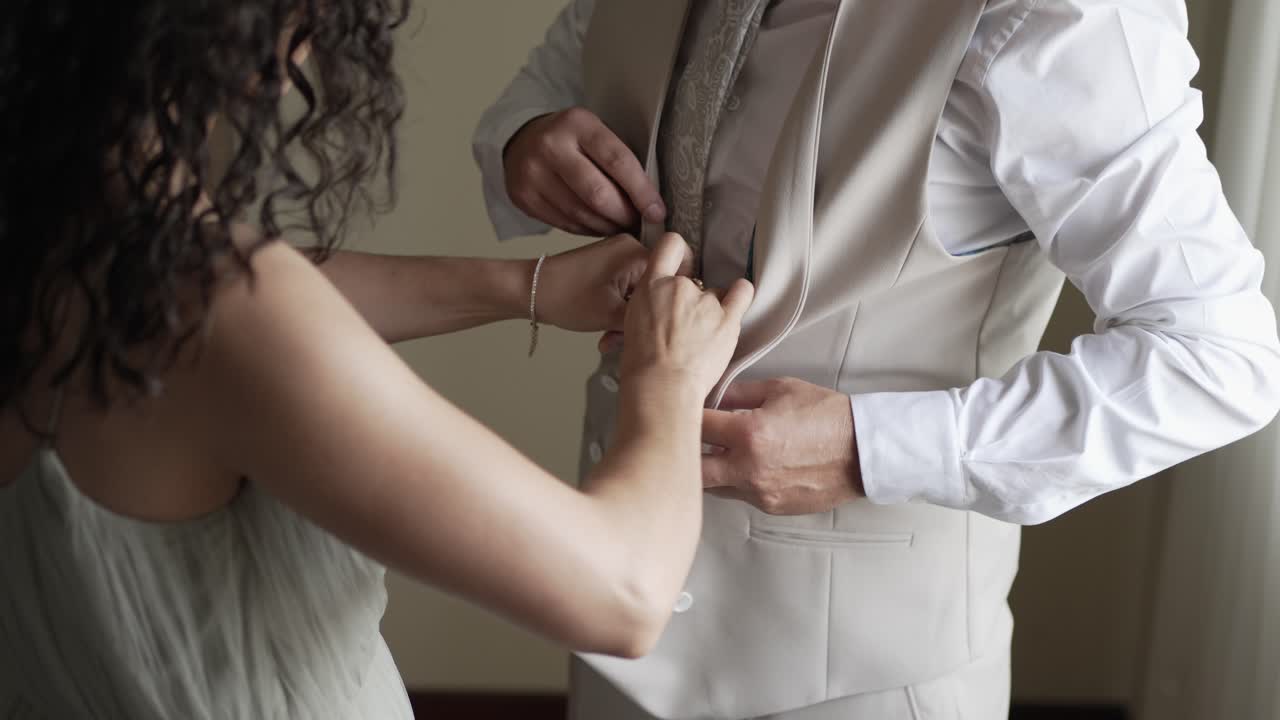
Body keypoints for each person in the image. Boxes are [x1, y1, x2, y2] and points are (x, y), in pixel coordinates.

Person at [473, 0, 1280, 717]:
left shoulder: (1067, 16)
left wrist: (872, 448)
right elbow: (561, 66)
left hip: (859, 674)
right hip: (610, 591)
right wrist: (524, 140)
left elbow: (1217, 354)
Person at [0, 1, 755, 718]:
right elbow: (624, 593)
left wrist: (522, 287)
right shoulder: (222, 314)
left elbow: (218, 312)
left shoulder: (62, 247)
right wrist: (667, 380)